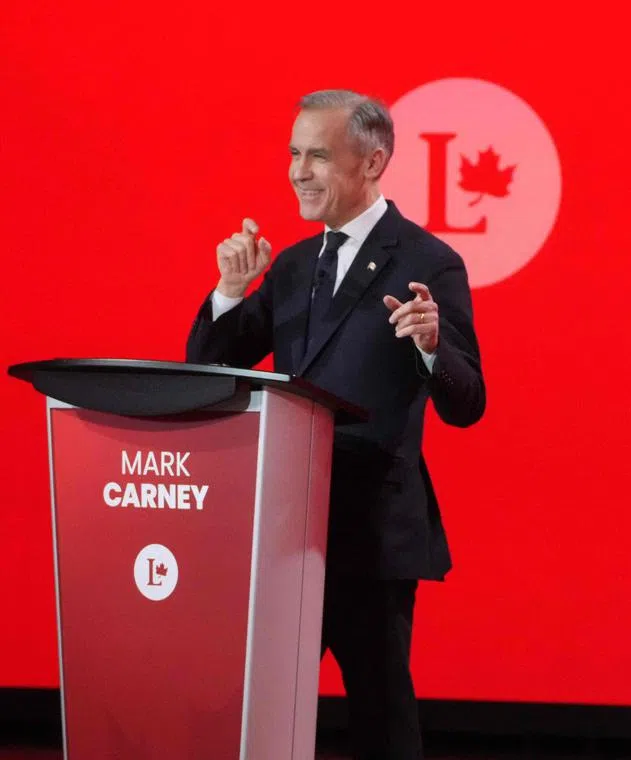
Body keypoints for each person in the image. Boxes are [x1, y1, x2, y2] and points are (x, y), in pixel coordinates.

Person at [186, 89, 486, 760]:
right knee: (253, 702)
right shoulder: (293, 267)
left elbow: (468, 404)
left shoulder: (427, 263)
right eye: (294, 153)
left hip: (372, 535)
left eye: (317, 155)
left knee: (380, 715)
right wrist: (230, 291)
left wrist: (433, 347)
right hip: (288, 529)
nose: (297, 171)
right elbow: (209, 368)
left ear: (373, 160)